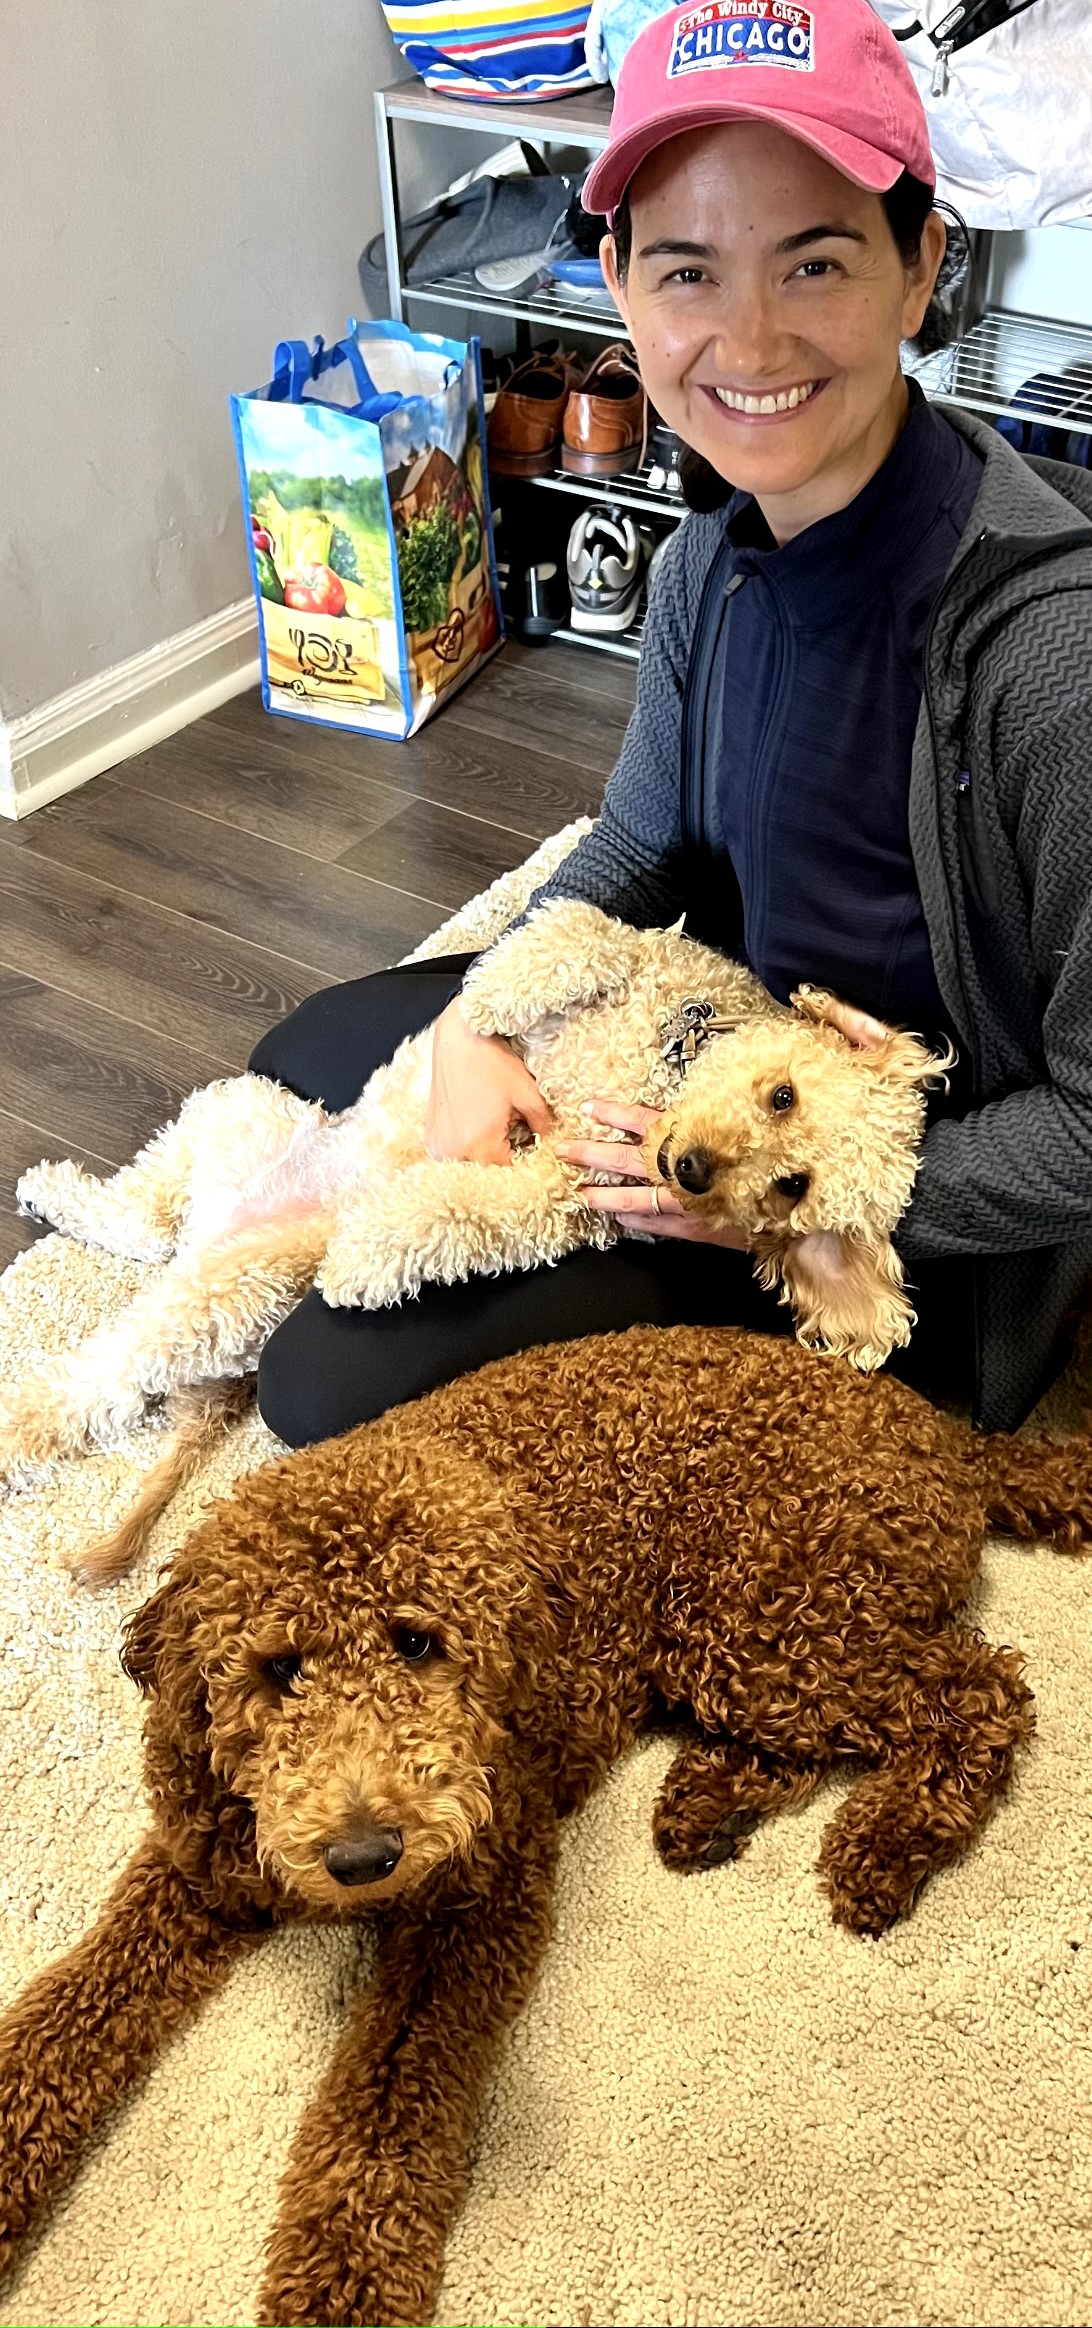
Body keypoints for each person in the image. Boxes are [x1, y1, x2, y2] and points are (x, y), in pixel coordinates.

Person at [252, 0, 1092, 1447]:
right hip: (705, 1046)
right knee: (326, 1045)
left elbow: (1085, 1122)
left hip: (881, 1226)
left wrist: (763, 1203)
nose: (747, 337)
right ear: (623, 285)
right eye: (688, 270)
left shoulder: (1050, 650)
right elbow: (637, 845)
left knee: (317, 1387)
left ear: (919, 272)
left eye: (816, 261)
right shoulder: (712, 556)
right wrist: (484, 1013)